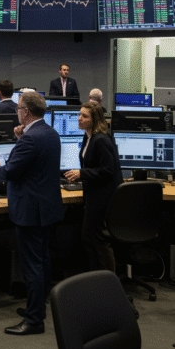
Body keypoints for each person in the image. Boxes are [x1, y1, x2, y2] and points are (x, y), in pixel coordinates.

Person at [0, 91, 64, 335]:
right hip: (47, 209)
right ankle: (38, 308)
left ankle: (34, 321)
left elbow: (10, 172)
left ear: (26, 112)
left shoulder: (30, 140)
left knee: (32, 266)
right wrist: (21, 138)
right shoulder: (51, 133)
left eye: (19, 108)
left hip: (31, 211)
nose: (16, 111)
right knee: (42, 261)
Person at [64, 101, 123, 273]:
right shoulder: (88, 136)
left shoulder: (101, 140)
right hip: (94, 194)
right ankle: (97, 278)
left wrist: (82, 173)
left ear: (94, 120)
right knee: (88, 238)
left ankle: (109, 283)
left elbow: (107, 171)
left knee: (97, 240)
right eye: (79, 114)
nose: (79, 118)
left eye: (84, 116)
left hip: (103, 196)